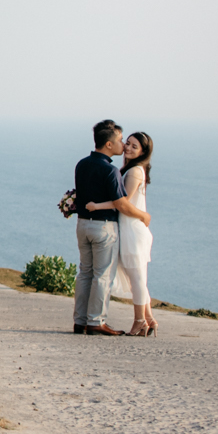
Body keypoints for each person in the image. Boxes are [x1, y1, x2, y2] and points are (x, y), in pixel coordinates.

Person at [90, 130, 156, 336]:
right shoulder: (131, 169)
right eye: (127, 143)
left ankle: (139, 322)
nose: (127, 147)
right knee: (136, 277)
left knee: (136, 279)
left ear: (143, 152)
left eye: (134, 146)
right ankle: (149, 319)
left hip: (133, 232)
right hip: (130, 229)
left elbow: (123, 203)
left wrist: (96, 206)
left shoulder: (135, 171)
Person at [72, 119, 133, 336]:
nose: (123, 144)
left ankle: (80, 321)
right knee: (103, 276)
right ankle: (96, 321)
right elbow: (121, 203)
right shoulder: (111, 171)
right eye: (119, 140)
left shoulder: (81, 164)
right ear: (108, 144)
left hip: (82, 224)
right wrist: (143, 215)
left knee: (85, 273)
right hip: (104, 227)